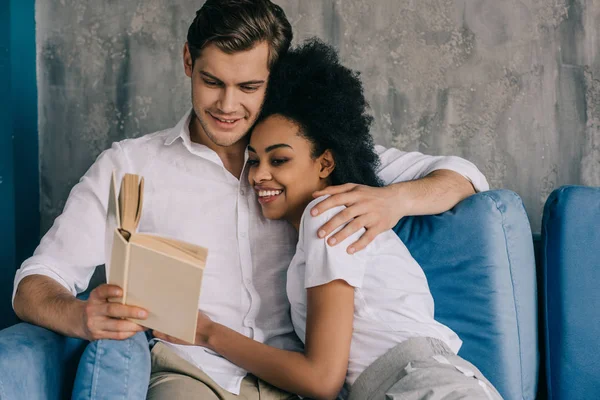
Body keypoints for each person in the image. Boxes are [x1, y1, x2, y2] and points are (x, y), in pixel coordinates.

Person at [11, 1, 488, 399]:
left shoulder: (313, 158)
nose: (226, 105)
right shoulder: (130, 165)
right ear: (187, 63)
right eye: (212, 81)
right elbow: (36, 280)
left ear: (273, 78)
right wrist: (80, 314)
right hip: (192, 372)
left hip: (295, 381)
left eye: (249, 87)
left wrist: (395, 201)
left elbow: (464, 176)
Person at [153, 39, 501, 400]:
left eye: (279, 160)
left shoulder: (329, 218)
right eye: (253, 160)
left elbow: (320, 380)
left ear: (325, 163)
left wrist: (208, 332)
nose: (257, 176)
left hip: (423, 388)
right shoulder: (321, 223)